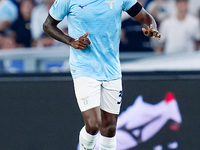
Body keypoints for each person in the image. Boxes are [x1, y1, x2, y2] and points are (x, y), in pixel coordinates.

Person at [43, 0, 160, 149]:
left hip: (111, 69)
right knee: (93, 125)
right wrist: (71, 41)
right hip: (84, 67)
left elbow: (145, 17)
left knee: (109, 128)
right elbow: (48, 25)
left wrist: (151, 28)